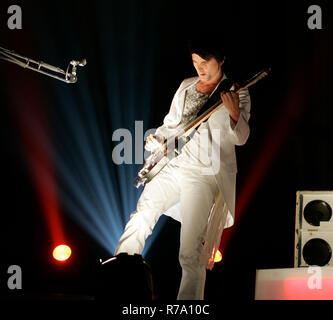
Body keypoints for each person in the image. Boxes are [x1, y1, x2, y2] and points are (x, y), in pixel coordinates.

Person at [114, 40, 251, 300]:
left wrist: (235, 115)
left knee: (190, 250)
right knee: (141, 216)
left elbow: (241, 138)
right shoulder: (186, 86)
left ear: (221, 60)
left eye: (205, 62)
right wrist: (157, 139)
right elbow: (171, 126)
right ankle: (121, 281)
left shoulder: (237, 91)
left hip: (203, 174)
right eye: (195, 62)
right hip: (172, 165)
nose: (200, 68)